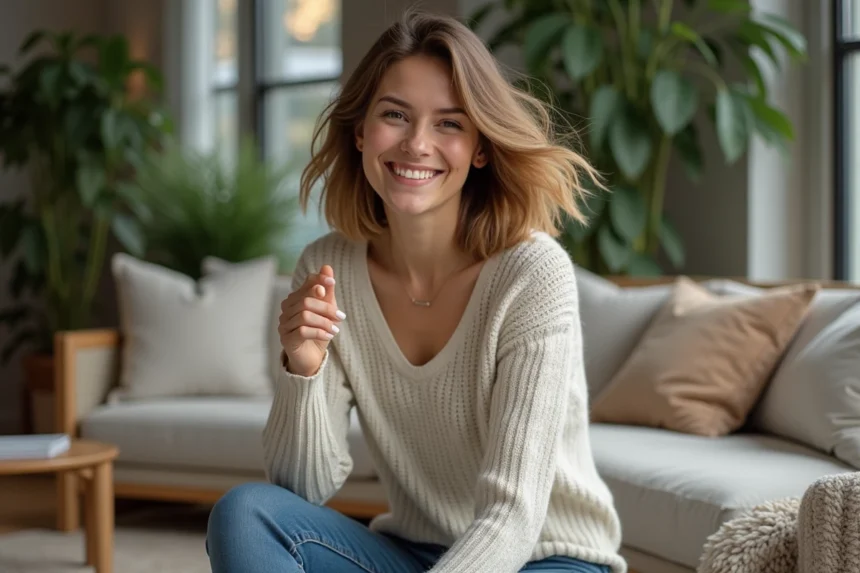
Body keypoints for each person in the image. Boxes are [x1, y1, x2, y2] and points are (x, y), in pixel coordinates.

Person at [206, 8, 626, 573]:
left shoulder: (532, 274)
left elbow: (513, 515)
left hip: (545, 557)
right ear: (360, 133)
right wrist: (304, 369)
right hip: (413, 553)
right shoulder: (327, 266)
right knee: (246, 514)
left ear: (479, 147)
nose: (416, 144)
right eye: (395, 115)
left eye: (449, 123)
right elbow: (302, 486)